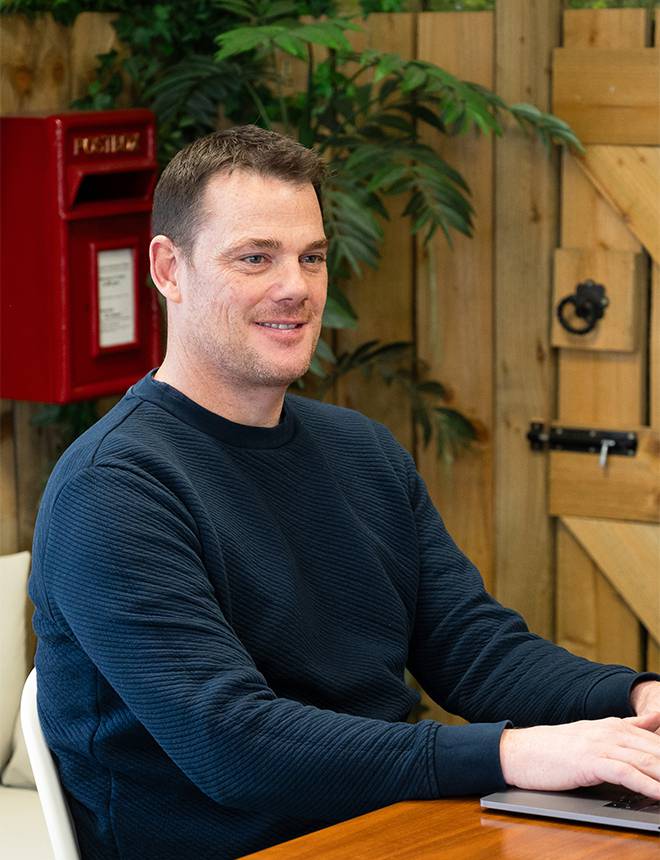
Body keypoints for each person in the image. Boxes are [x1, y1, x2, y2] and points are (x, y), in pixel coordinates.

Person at [30, 125, 660, 860]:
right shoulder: (111, 490)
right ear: (170, 269)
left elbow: (477, 652)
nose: (295, 287)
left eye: (312, 257)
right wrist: (516, 755)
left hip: (397, 828)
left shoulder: (361, 451)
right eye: (255, 258)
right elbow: (237, 743)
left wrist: (636, 700)